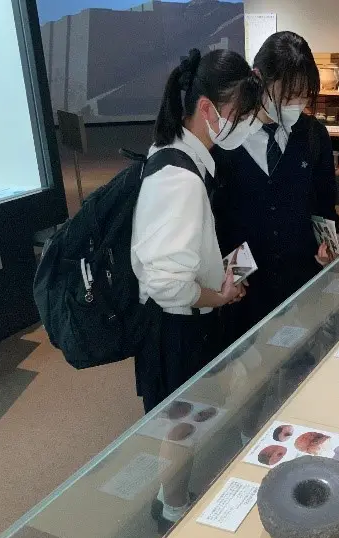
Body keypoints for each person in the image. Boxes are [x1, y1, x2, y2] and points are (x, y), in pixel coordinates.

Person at [132, 48, 261, 414]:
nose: (248, 122)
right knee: (181, 437)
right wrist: (218, 297)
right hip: (178, 333)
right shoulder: (181, 179)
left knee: (187, 431)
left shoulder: (172, 151)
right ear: (207, 108)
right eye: (240, 112)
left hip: (177, 328)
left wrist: (218, 277)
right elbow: (168, 284)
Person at [213, 31, 339, 346]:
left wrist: (330, 248)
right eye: (288, 95)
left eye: (304, 96)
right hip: (242, 293)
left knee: (301, 370)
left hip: (300, 286)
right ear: (258, 79)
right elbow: (213, 220)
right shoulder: (225, 139)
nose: (296, 104)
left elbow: (325, 208)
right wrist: (222, 280)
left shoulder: (313, 137)